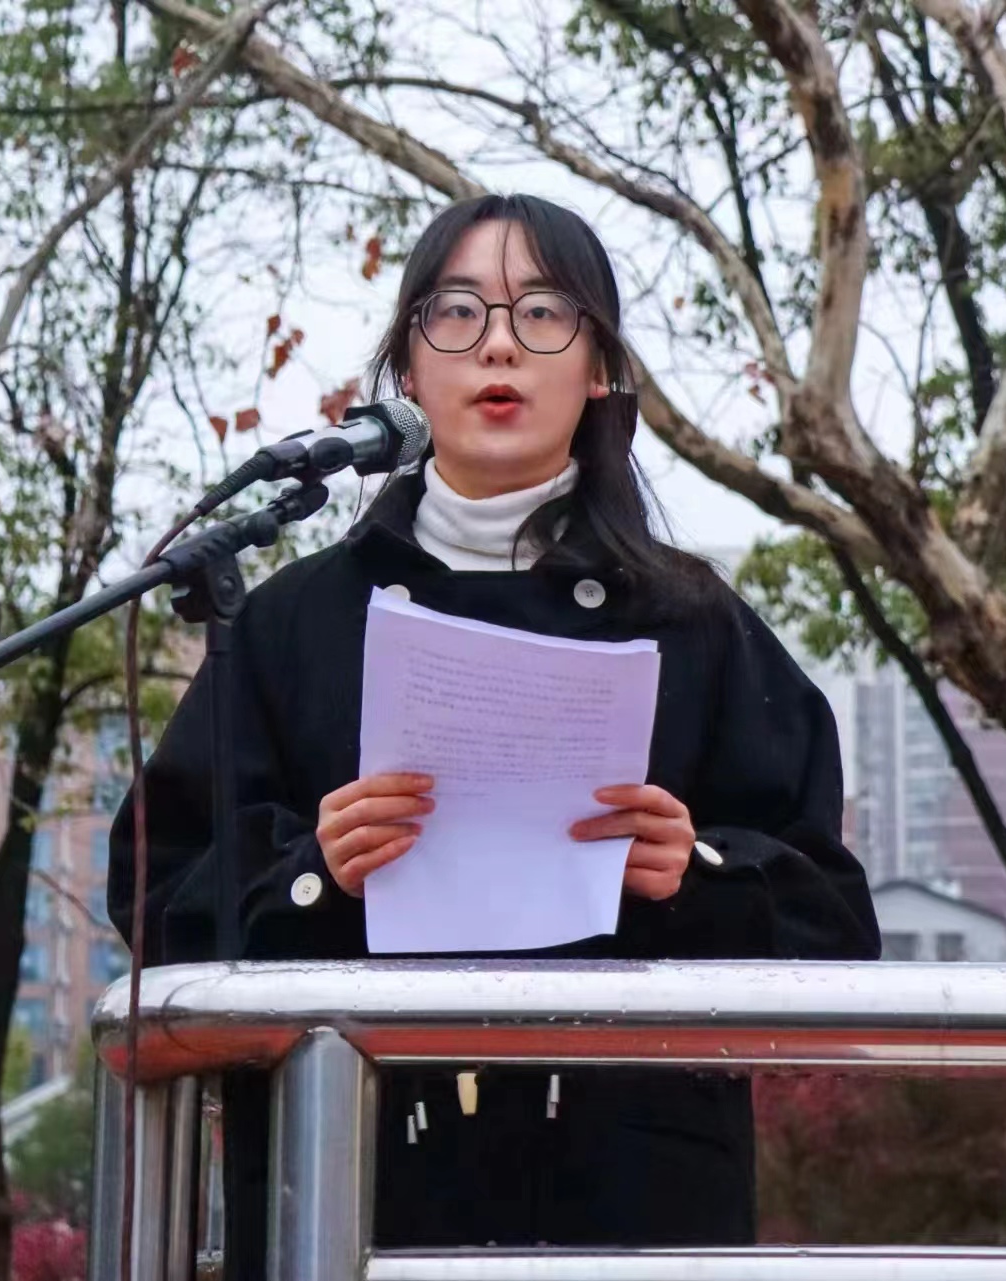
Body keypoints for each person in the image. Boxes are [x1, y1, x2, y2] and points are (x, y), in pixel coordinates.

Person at [109, 192, 880, 1274]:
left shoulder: (693, 624)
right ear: (407, 367)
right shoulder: (290, 624)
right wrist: (316, 873)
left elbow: (835, 928)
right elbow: (158, 902)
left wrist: (695, 871)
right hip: (350, 1193)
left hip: (633, 1208)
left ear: (600, 369)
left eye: (544, 313)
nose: (500, 346)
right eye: (458, 312)